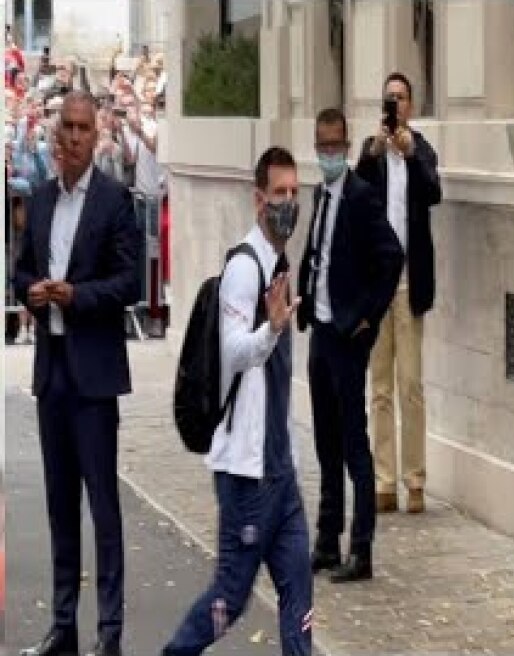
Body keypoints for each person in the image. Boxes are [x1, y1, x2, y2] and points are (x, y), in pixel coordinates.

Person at [161, 146, 312, 656]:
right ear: (258, 200)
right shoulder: (245, 269)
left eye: (294, 193)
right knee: (229, 598)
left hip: (279, 470)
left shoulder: (280, 263)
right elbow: (232, 352)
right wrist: (269, 330)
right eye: (279, 194)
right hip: (246, 476)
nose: (288, 203)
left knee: (299, 596)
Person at [14, 91, 142, 656]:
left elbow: (130, 283)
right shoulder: (40, 201)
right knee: (58, 502)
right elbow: (19, 272)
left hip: (93, 375)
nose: (71, 137)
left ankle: (108, 632)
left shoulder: (114, 201)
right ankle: (62, 625)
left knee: (102, 507)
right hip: (52, 373)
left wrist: (76, 296)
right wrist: (34, 293)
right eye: (64, 127)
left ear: (97, 134)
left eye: (82, 128)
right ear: (53, 132)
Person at [299, 108, 403, 583]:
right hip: (319, 330)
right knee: (325, 442)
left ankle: (360, 550)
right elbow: (317, 253)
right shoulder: (320, 194)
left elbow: (392, 257)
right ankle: (326, 539)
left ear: (347, 145)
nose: (330, 154)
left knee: (354, 444)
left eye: (337, 145)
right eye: (323, 146)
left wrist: (368, 318)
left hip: (348, 335)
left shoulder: (362, 196)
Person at [355, 72, 442, 514]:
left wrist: (409, 155)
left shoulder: (420, 149)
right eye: (389, 98)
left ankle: (416, 480)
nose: (395, 105)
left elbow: (434, 193)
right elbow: (354, 197)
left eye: (402, 98)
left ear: (411, 104)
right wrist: (373, 152)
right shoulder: (371, 154)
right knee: (380, 387)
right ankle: (383, 480)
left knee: (411, 384)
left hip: (409, 281)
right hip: (376, 283)